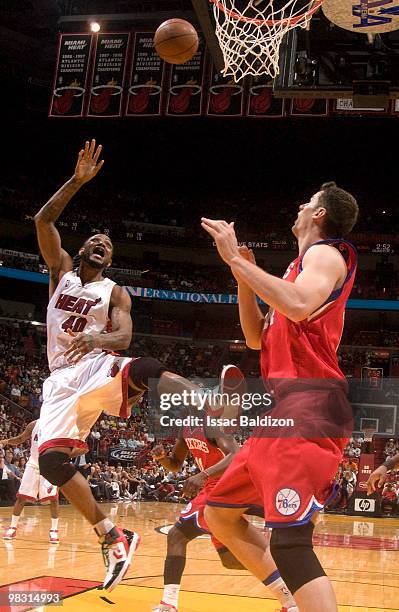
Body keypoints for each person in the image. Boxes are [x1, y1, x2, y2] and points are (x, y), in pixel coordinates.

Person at [33, 139, 235, 592]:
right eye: (95, 240)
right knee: (50, 464)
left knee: (145, 367)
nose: (101, 244)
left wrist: (96, 337)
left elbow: (123, 338)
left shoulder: (115, 292)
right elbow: (43, 220)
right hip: (59, 382)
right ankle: (115, 536)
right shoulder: (59, 271)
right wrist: (77, 181)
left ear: (111, 259)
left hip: (94, 363)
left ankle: (206, 405)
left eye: (108, 244)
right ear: (82, 249)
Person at [201, 181, 358, 612]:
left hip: (312, 405)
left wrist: (234, 256)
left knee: (290, 543)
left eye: (307, 202)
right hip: (282, 413)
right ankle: (289, 600)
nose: (300, 206)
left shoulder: (326, 253)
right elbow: (254, 338)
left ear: (320, 215)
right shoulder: (293, 268)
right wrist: (242, 277)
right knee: (218, 514)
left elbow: (298, 305)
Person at [152, 421, 297, 612]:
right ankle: (291, 598)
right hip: (215, 487)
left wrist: (203, 475)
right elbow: (176, 464)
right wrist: (162, 458)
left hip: (225, 485)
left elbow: (236, 454)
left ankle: (168, 604)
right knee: (231, 560)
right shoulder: (185, 429)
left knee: (177, 534)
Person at [1, 421, 60, 543]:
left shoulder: (58, 423)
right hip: (33, 465)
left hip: (50, 466)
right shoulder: (34, 424)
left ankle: (54, 530)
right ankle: (12, 527)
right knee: (21, 497)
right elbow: (21, 438)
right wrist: (6, 441)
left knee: (53, 499)